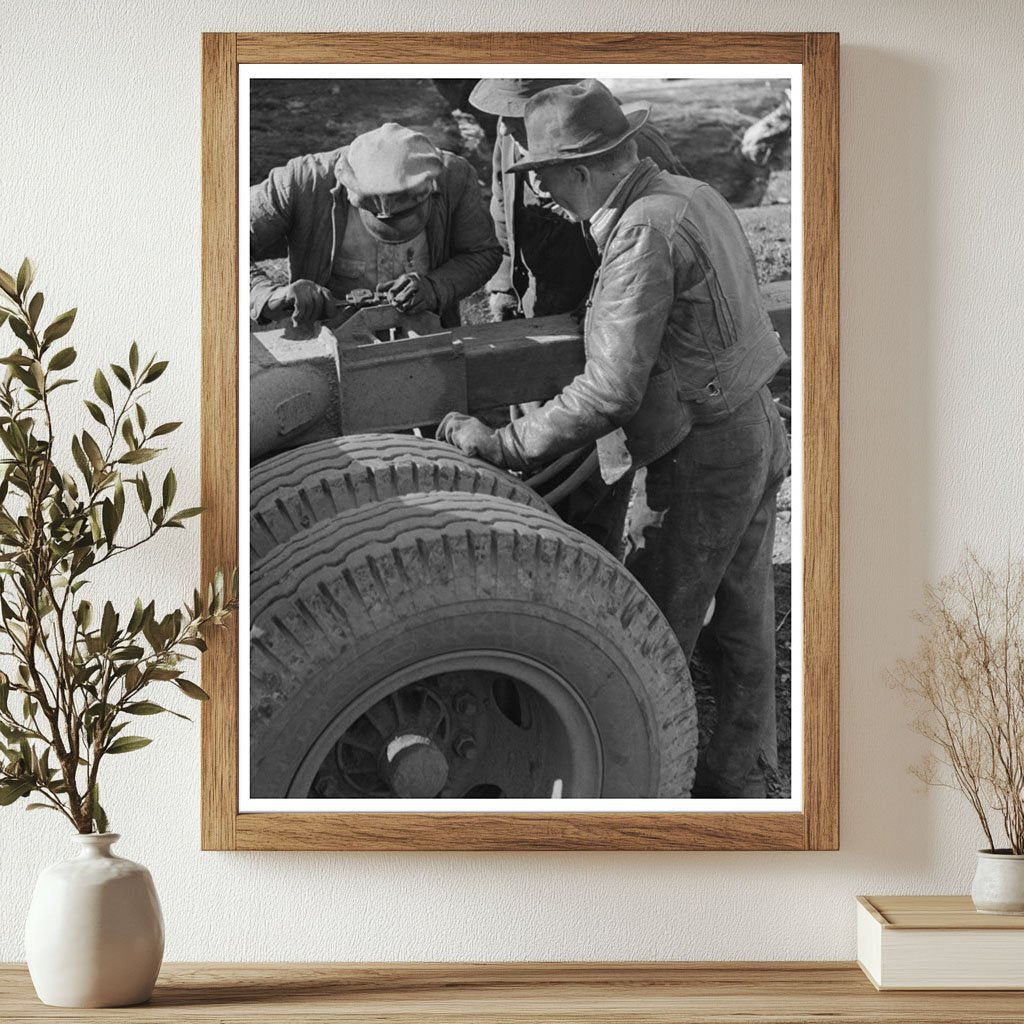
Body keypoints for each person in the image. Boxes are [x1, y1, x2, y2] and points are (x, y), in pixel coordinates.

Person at [438, 81, 789, 799]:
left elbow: (610, 390)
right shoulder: (689, 194)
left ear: (582, 168)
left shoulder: (639, 233)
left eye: (545, 177)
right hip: (754, 426)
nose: (545, 194)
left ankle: (639, 791)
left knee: (647, 638)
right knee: (744, 618)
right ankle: (742, 777)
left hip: (703, 458)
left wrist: (502, 444)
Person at [249, 122, 501, 329]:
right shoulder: (301, 182)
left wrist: (435, 287)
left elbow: (482, 252)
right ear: (354, 195)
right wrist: (270, 295)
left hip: (425, 337)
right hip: (325, 338)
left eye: (406, 214)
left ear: (430, 191)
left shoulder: (453, 178)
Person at [468, 78, 681, 321]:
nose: (505, 128)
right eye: (503, 112)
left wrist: (606, 305)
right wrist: (504, 284)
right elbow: (504, 204)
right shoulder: (512, 133)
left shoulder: (626, 145)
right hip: (539, 299)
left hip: (614, 306)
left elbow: (671, 245)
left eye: (517, 113)